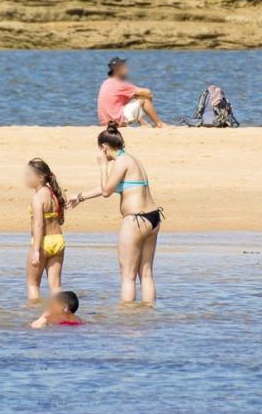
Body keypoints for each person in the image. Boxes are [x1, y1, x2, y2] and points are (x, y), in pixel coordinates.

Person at [69, 122, 162, 303]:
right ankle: (148, 316)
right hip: (153, 218)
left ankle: (127, 320)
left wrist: (103, 166)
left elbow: (106, 191)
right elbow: (114, 186)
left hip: (135, 220)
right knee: (146, 273)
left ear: (104, 147)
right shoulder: (132, 160)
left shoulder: (120, 162)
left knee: (127, 275)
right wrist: (80, 197)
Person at [25, 158, 67, 300]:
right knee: (55, 286)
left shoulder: (38, 197)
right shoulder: (53, 193)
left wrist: (36, 250)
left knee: (33, 285)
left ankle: (34, 315)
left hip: (42, 243)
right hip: (58, 240)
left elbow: (39, 225)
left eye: (29, 175)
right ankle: (60, 314)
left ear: (41, 177)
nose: (26, 178)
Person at [97, 56, 166, 128]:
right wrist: (147, 96)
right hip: (116, 122)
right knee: (145, 98)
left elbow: (125, 100)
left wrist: (135, 95)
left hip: (106, 123)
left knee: (132, 97)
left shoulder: (105, 82)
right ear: (117, 70)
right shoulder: (120, 84)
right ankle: (159, 124)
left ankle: (143, 123)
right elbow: (148, 92)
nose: (127, 70)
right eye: (125, 68)